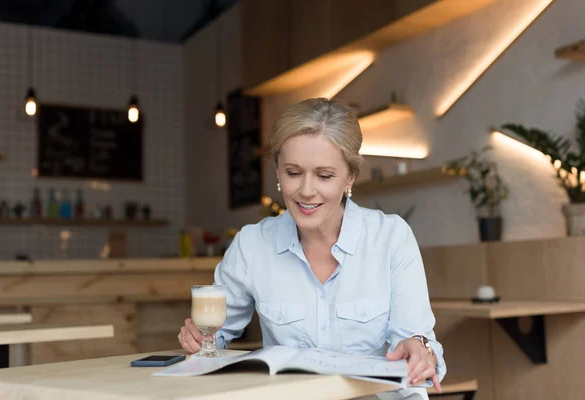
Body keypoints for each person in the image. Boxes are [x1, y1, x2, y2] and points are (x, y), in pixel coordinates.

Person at [178, 98, 446, 399]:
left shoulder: (391, 238)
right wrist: (198, 340)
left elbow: (416, 341)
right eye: (293, 173)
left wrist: (422, 352)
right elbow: (214, 337)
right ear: (278, 173)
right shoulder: (252, 244)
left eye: (324, 175)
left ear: (350, 177)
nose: (306, 191)